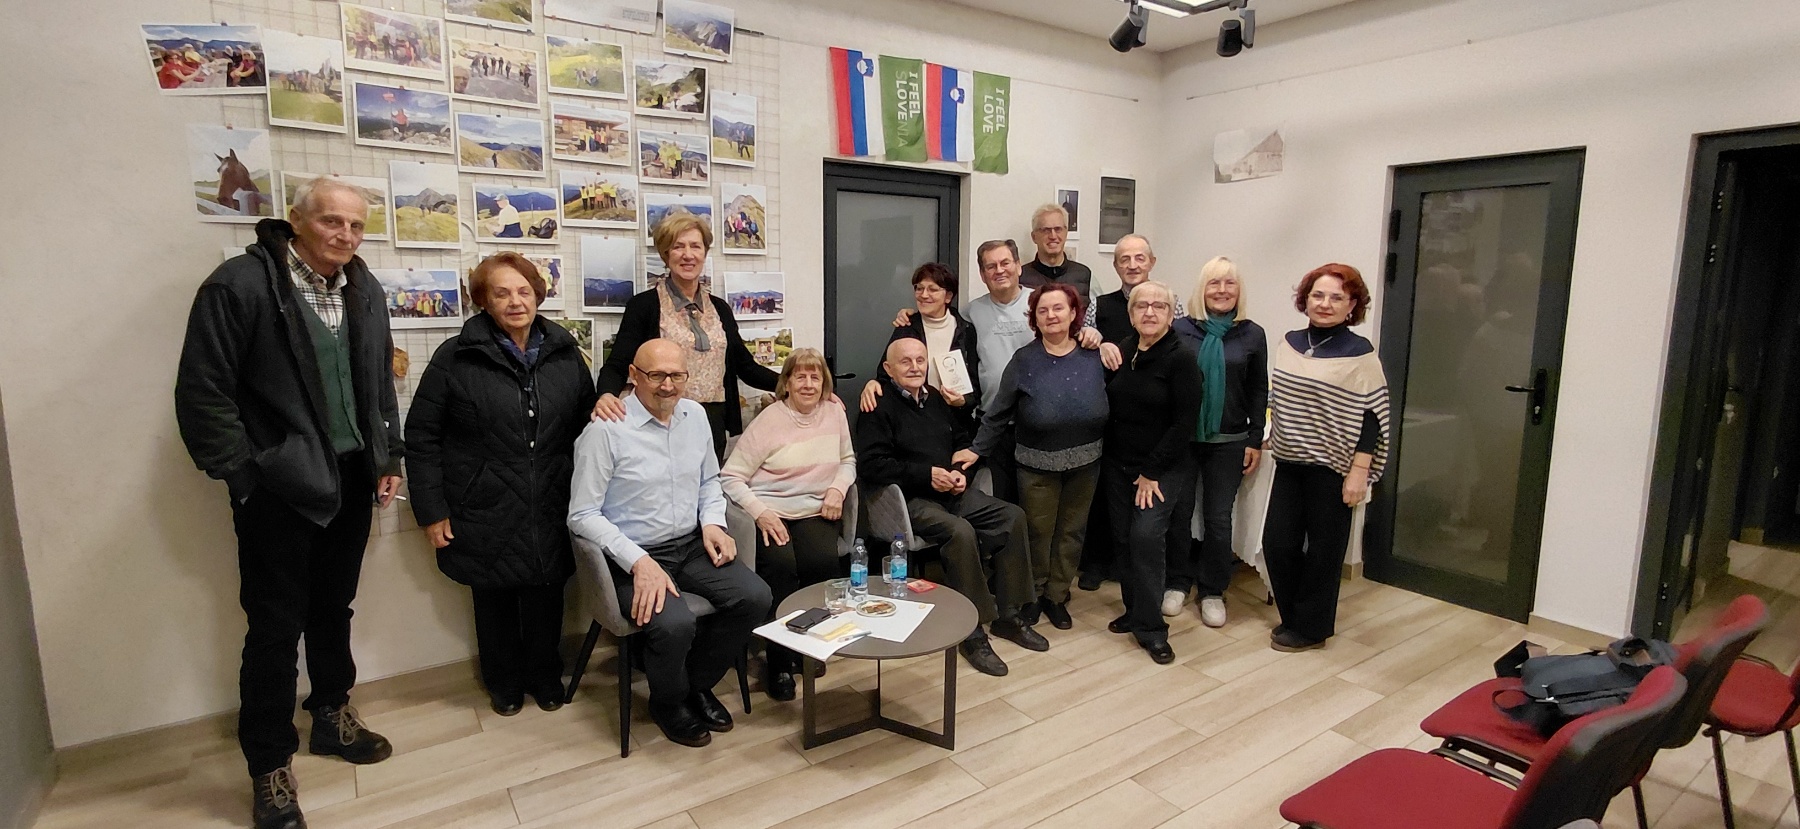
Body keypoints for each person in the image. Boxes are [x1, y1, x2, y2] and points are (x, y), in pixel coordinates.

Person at [175, 177, 403, 829]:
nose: (345, 235)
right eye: (331, 221)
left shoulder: (364, 288)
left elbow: (377, 381)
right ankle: (270, 765)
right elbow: (202, 392)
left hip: (352, 478)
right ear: (296, 220)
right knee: (274, 628)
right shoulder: (240, 286)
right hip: (277, 490)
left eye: (356, 225)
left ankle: (331, 713)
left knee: (334, 607)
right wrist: (244, 478)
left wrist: (387, 456)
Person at [404, 253, 596, 717]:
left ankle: (545, 675)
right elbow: (422, 436)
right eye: (502, 293)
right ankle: (503, 682)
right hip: (481, 503)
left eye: (524, 291)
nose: (515, 301)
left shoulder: (565, 353)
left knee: (547, 594)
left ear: (538, 296)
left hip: (552, 498)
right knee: (493, 598)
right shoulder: (455, 357)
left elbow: (587, 428)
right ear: (484, 301)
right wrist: (431, 510)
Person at [568, 339, 774, 747]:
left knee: (755, 597)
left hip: (690, 544)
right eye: (656, 375)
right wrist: (638, 561)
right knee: (675, 623)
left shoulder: (695, 416)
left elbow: (709, 482)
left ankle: (693, 685)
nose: (667, 385)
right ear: (633, 375)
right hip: (631, 555)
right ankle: (668, 703)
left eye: (677, 375)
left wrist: (713, 523)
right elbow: (582, 514)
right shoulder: (605, 431)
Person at [856, 338, 1046, 676]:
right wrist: (927, 475)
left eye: (920, 360)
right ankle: (971, 633)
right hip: (908, 500)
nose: (915, 367)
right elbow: (872, 465)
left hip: (952, 491)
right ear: (888, 369)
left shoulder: (936, 399)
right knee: (960, 531)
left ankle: (1008, 615)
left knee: (1012, 517)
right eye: (905, 362)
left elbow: (962, 440)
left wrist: (959, 472)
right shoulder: (877, 405)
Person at [962, 283, 1108, 631]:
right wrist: (976, 449)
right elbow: (998, 412)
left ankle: (1057, 596)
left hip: (1086, 464)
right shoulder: (1024, 360)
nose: (1051, 316)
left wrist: (1105, 342)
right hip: (1036, 465)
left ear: (1073, 314)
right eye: (1043, 310)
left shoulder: (1094, 355)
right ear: (1034, 319)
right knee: (1038, 534)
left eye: (1058, 308)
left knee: (1072, 532)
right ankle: (1034, 594)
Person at [1263, 263, 1391, 652]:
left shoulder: (1360, 354)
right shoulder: (1289, 343)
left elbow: (1373, 416)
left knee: (1324, 553)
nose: (1325, 303)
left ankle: (1312, 629)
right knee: (1277, 544)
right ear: (1305, 299)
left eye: (1337, 297)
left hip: (1334, 468)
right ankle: (1293, 617)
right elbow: (1280, 399)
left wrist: (1359, 471)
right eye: (1317, 295)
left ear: (1352, 305)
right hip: (1289, 462)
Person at [719, 348, 855, 701]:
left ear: (824, 383)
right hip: (771, 510)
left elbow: (847, 461)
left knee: (821, 565)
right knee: (781, 569)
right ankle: (778, 661)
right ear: (787, 383)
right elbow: (730, 477)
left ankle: (807, 647)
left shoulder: (835, 413)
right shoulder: (770, 420)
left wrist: (838, 490)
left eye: (815, 377)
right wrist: (760, 512)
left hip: (814, 509)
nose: (808, 384)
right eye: (800, 376)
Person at [593, 213, 779, 459]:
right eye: (678, 247)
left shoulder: (720, 308)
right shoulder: (644, 306)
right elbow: (618, 364)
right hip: (661, 422)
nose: (688, 255)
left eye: (695, 246)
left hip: (711, 424)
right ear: (665, 254)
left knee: (708, 483)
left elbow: (745, 367)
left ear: (705, 253)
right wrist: (606, 395)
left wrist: (792, 384)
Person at [1101, 281, 1201, 665]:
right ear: (1131, 314)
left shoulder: (1181, 358)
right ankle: (1135, 611)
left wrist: (1150, 472)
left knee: (1145, 538)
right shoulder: (1126, 349)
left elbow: (1184, 423)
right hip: (1118, 464)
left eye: (1159, 306)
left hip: (1160, 469)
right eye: (1142, 305)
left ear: (1171, 314)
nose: (1150, 312)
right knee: (1123, 540)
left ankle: (1153, 630)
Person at [1166, 257, 1268, 628]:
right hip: (1184, 438)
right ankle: (1177, 582)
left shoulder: (1252, 334)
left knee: (1218, 519)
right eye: (1214, 283)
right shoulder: (1180, 329)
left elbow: (1258, 389)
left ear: (1239, 290)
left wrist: (1255, 438)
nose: (1222, 290)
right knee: (1178, 514)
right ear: (1202, 289)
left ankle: (1212, 591)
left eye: (1229, 283)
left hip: (1230, 440)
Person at [1077, 234, 1182, 592]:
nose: (1133, 265)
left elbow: (1178, 350)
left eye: (1140, 258)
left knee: (1147, 523)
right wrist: (1098, 342)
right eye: (1125, 259)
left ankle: (1154, 588)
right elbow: (1084, 341)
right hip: (1110, 416)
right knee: (1107, 504)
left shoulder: (1170, 303)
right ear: (1115, 265)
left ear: (1152, 262)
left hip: (1156, 427)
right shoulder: (1100, 305)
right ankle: (1099, 565)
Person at [858, 263, 981, 431]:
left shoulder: (966, 330)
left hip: (955, 424)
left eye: (932, 289)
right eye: (919, 288)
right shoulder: (906, 326)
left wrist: (963, 402)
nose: (924, 295)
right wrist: (873, 383)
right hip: (912, 420)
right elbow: (886, 373)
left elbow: (974, 385)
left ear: (948, 296)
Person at [1018, 203, 1092, 308]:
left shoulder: (1084, 274)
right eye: (1046, 230)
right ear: (1034, 237)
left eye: (1058, 229)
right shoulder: (1021, 277)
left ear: (1066, 233)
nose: (1053, 236)